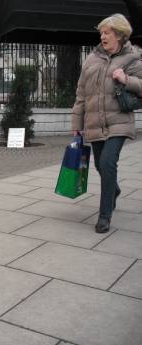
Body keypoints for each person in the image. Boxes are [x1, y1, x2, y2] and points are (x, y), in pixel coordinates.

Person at [71, 14, 142, 233]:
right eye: (101, 32)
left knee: (109, 162)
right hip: (94, 122)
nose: (102, 36)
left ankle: (105, 215)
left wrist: (126, 79)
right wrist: (77, 122)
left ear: (119, 35)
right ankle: (115, 190)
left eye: (107, 32)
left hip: (119, 121)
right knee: (100, 164)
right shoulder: (91, 59)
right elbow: (81, 93)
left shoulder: (133, 58)